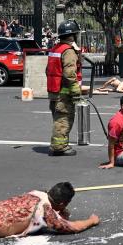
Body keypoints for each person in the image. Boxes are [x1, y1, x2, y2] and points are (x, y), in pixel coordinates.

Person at [47, 20, 83, 156]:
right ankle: (59, 147)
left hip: (54, 90)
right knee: (64, 119)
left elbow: (48, 70)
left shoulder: (55, 49)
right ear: (72, 36)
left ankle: (60, 144)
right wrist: (75, 90)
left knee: (58, 118)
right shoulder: (68, 51)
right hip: (63, 92)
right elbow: (69, 73)